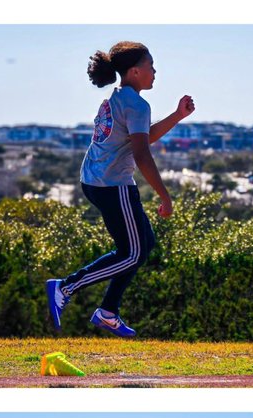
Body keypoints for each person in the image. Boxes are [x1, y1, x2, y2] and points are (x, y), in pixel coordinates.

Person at [46, 42, 195, 338]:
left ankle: (108, 312)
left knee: (142, 246)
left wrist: (177, 115)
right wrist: (164, 196)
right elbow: (141, 154)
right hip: (112, 185)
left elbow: (144, 136)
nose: (155, 72)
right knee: (132, 253)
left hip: (95, 180)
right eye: (151, 66)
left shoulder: (117, 98)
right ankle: (65, 287)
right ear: (135, 71)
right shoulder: (137, 104)